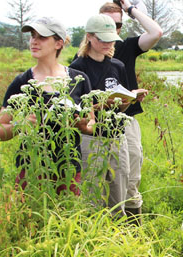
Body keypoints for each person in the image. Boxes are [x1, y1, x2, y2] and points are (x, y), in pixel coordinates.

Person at [0, 17, 92, 195]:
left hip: (68, 169)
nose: (34, 41)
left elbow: (92, 124)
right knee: (29, 220)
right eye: (32, 36)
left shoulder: (80, 79)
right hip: (32, 170)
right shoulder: (22, 82)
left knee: (67, 218)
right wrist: (19, 125)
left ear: (58, 43)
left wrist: (83, 125)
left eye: (42, 37)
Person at [96, 0, 162, 222]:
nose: (113, 30)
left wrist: (130, 9)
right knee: (101, 181)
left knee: (131, 178)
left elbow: (156, 32)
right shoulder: (82, 61)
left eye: (117, 25)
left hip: (127, 121)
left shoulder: (125, 48)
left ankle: (133, 230)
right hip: (96, 127)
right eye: (107, 24)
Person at [70, 14, 136, 218]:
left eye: (111, 39)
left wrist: (127, 101)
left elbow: (122, 107)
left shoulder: (117, 66)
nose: (108, 44)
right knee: (92, 192)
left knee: (119, 188)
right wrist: (102, 104)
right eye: (102, 39)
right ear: (89, 37)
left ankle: (119, 236)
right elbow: (77, 110)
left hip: (117, 136)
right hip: (91, 137)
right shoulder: (77, 67)